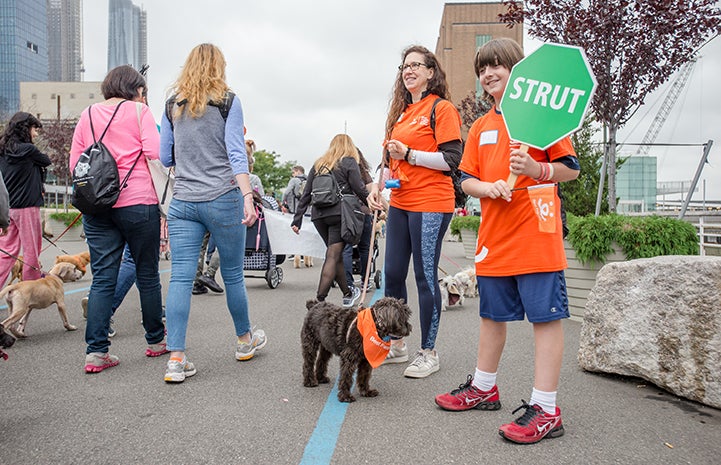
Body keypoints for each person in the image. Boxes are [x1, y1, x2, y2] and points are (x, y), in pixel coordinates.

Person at [434, 38, 580, 444]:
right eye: (483, 68)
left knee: (545, 318)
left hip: (536, 233)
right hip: (494, 237)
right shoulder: (480, 126)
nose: (489, 73)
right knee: (491, 316)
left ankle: (547, 409)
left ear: (520, 72)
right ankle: (484, 388)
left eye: (498, 65)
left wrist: (536, 167)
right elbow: (463, 178)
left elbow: (570, 168)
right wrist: (486, 187)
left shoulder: (543, 118)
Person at [160, 43, 265, 384]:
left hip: (184, 202)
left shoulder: (172, 105)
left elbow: (165, 157)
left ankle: (176, 358)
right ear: (219, 67)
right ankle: (244, 340)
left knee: (179, 277)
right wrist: (248, 196)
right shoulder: (228, 102)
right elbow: (237, 152)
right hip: (222, 197)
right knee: (233, 275)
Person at [367, 45, 462, 378]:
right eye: (404, 66)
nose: (408, 71)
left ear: (430, 72)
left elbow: (452, 161)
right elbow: (391, 164)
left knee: (424, 277)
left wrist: (410, 154)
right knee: (392, 273)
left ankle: (428, 351)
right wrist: (377, 188)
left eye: (415, 65)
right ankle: (396, 342)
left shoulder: (442, 108)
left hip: (432, 203)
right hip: (402, 204)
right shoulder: (401, 115)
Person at [70, 65, 166, 373]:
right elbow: (156, 153)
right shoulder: (140, 113)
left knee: (102, 277)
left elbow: (75, 162)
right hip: (138, 201)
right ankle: (155, 341)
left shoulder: (87, 115)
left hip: (97, 206)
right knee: (147, 273)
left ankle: (96, 353)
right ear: (137, 90)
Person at [291, 134, 380, 308]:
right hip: (339, 214)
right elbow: (359, 188)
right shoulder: (348, 161)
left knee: (335, 255)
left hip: (319, 215)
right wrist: (372, 203)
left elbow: (306, 194)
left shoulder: (319, 164)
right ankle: (319, 300)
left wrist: (297, 219)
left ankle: (347, 293)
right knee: (333, 255)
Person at [0, 112, 51, 285]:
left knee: (7, 250)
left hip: (7, 207)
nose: (36, 134)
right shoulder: (29, 150)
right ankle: (31, 284)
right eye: (34, 129)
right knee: (31, 248)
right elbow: (46, 160)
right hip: (27, 206)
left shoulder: (2, 150)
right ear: (25, 129)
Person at [342, 149, 374, 291]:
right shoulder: (363, 173)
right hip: (364, 212)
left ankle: (348, 283)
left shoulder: (340, 169)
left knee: (347, 248)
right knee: (365, 248)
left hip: (347, 213)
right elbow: (370, 192)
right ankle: (365, 281)